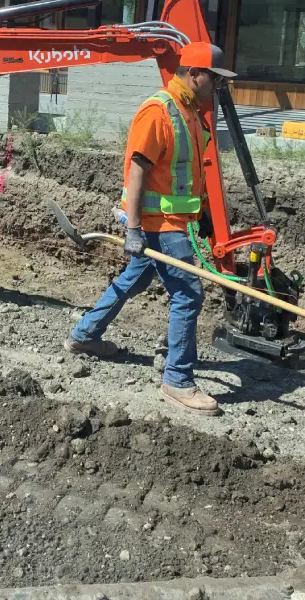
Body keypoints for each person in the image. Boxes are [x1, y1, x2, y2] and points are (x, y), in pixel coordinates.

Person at [64, 42, 237, 417]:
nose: (220, 87)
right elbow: (138, 170)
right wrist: (135, 228)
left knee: (134, 280)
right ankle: (177, 380)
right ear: (194, 74)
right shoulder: (159, 111)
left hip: (174, 221)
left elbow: (186, 174)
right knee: (188, 294)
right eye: (216, 79)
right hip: (159, 225)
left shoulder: (189, 112)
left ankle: (84, 335)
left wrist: (204, 213)